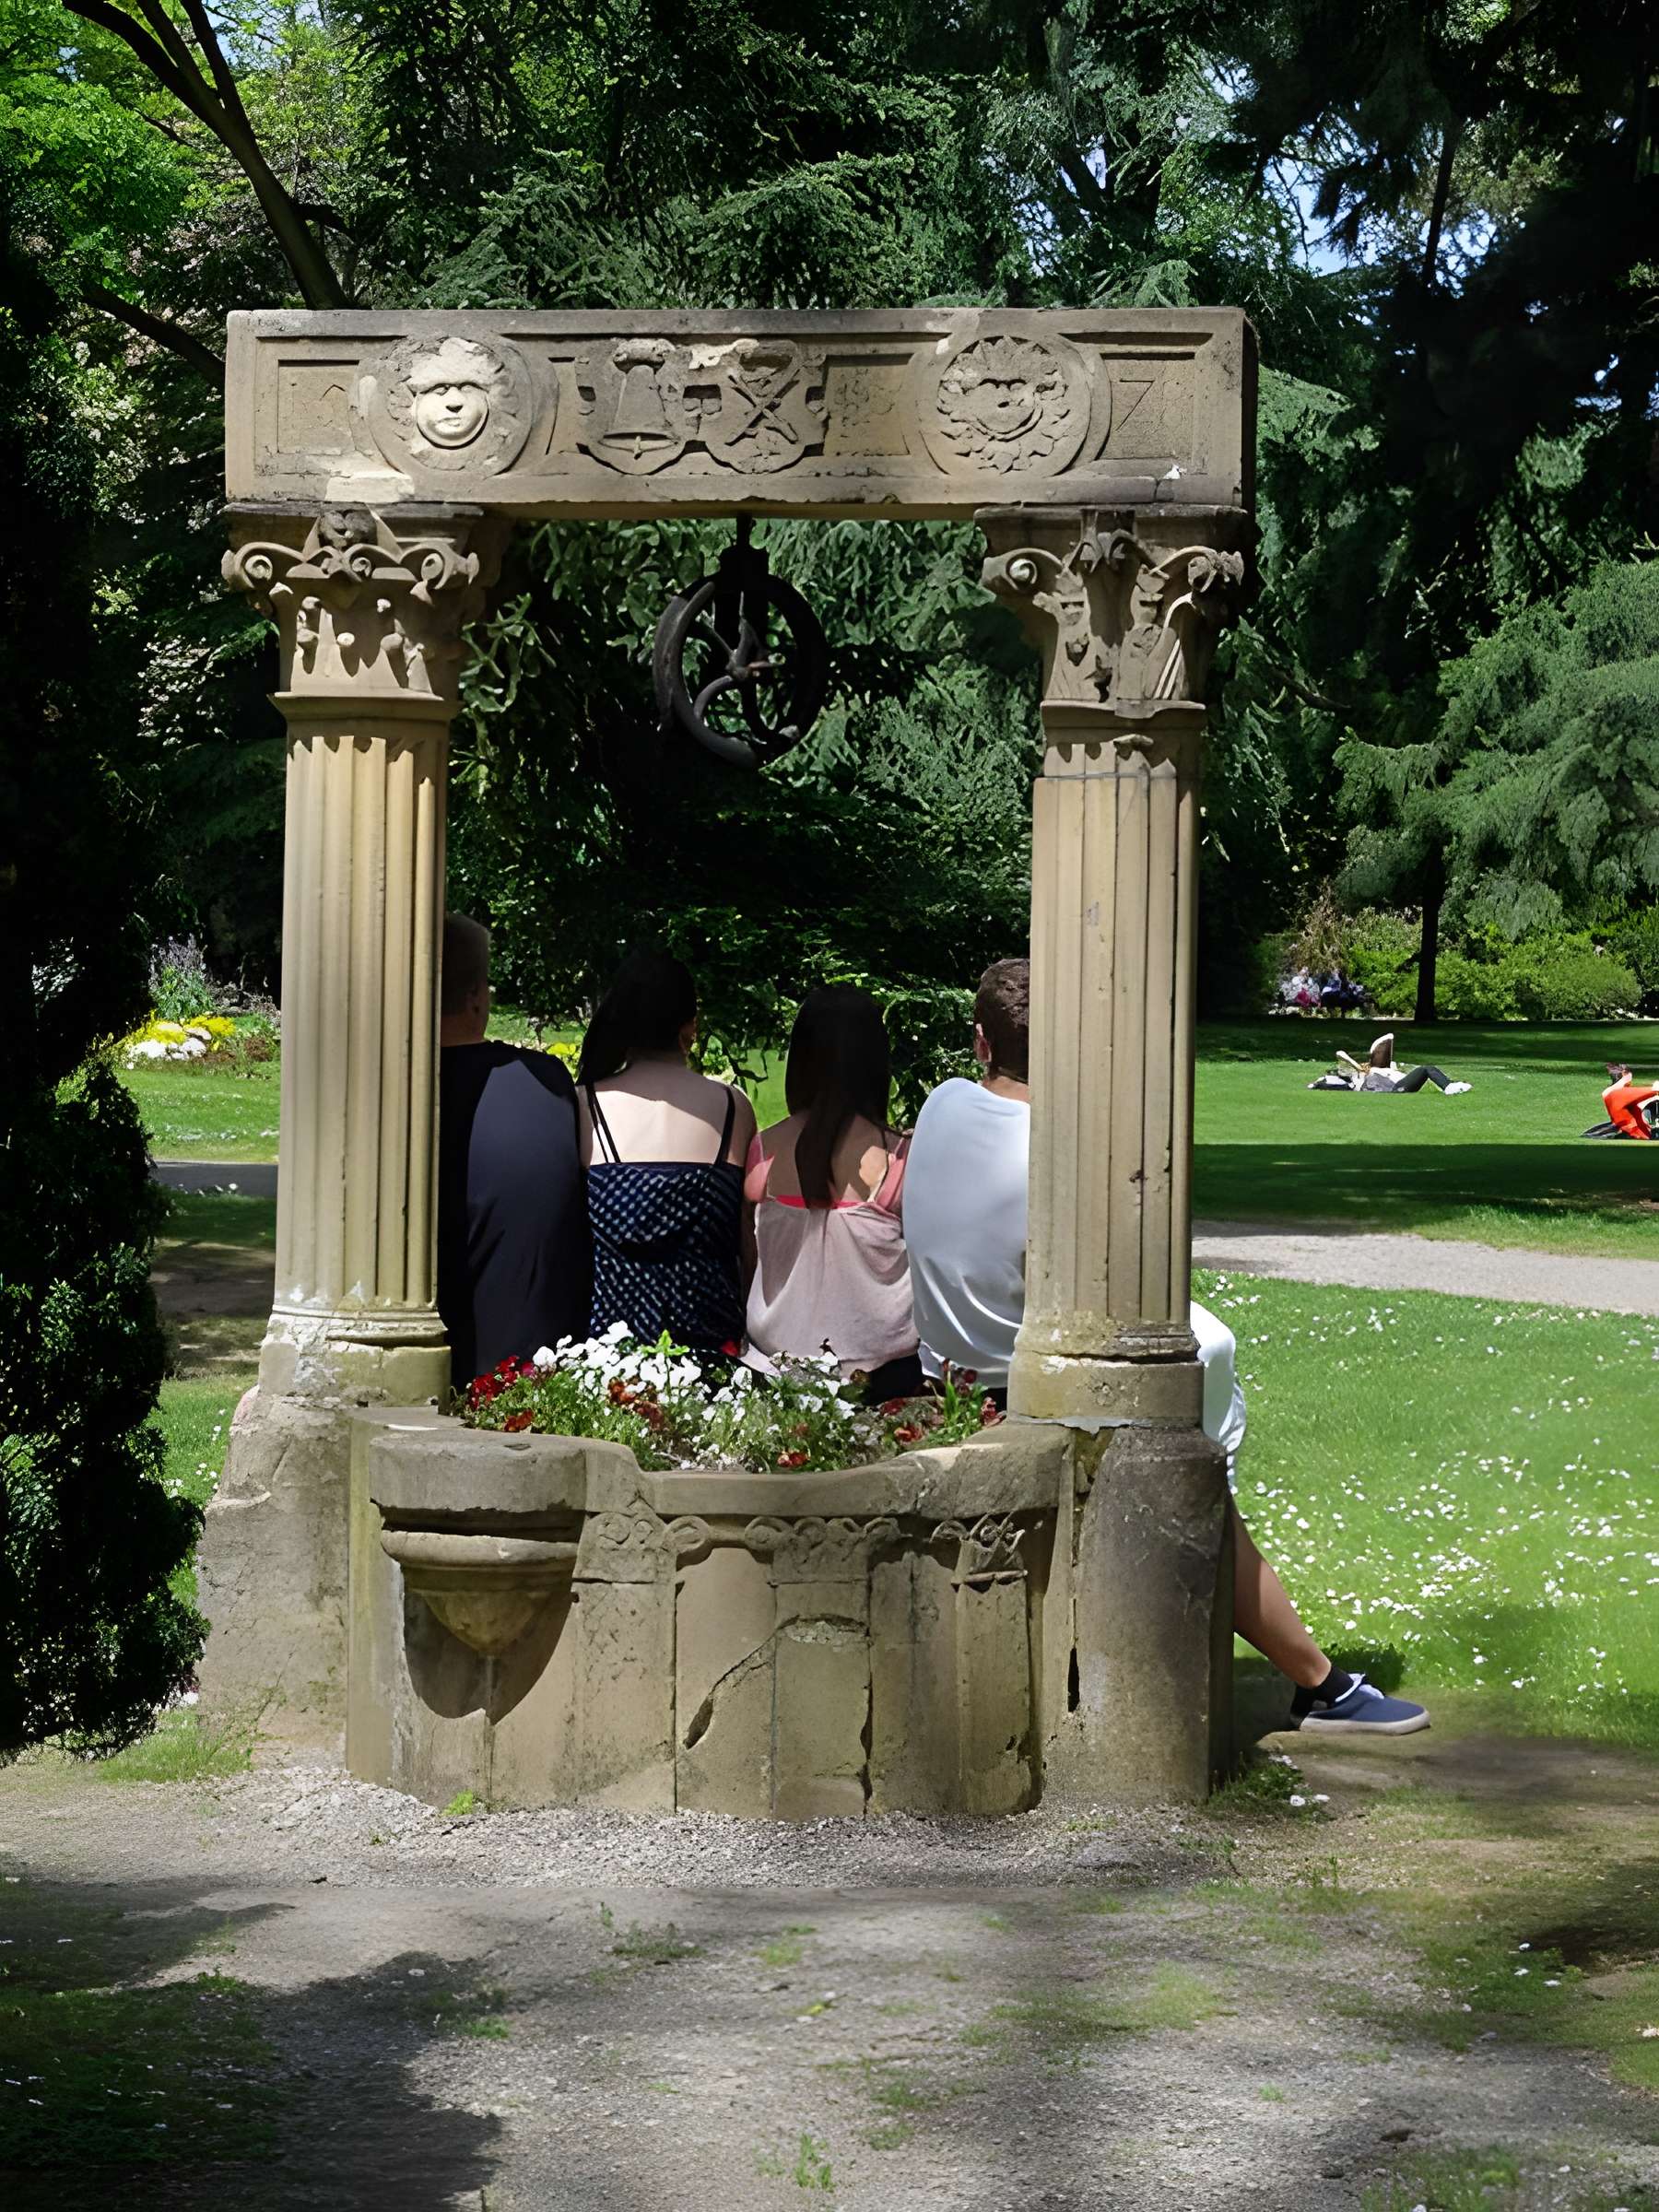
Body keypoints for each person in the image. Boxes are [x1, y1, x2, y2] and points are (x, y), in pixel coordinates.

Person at [906, 958, 1430, 1738]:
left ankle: (1309, 1672)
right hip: (1026, 1385)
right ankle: (1315, 1682)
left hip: (944, 1365)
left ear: (980, 1044)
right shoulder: (1061, 1161)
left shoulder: (943, 1106)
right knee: (1202, 1411)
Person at [745, 984, 921, 1401]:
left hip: (772, 1370)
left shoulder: (764, 1151)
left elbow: (748, 1262)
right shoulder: (900, 1156)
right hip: (882, 1378)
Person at [436, 913, 591, 1390]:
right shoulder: (546, 1086)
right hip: (532, 1375)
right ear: (479, 997)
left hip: (431, 1373)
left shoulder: (393, 1103)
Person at [577, 949, 754, 1353]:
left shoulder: (585, 1107)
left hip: (608, 1363)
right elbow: (747, 1241)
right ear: (690, 1025)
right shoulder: (732, 1109)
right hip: (715, 1352)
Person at [1310, 1033, 1471, 1094]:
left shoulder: (1388, 1068)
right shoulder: (1365, 1076)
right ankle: (1449, 1087)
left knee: (1425, 1070)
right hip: (1394, 1089)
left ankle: (1449, 1086)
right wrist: (1359, 1067)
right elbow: (1341, 1056)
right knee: (1426, 1069)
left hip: (1398, 1086)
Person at [1602, 1063, 1655, 1141]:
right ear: (1624, 1074)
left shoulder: (1611, 1094)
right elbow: (1654, 1089)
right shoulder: (1619, 1093)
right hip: (1637, 1135)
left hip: (1635, 1133)